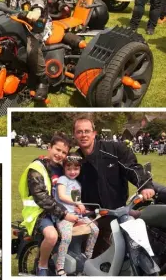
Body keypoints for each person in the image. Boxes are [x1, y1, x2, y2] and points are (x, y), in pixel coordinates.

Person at [73, 116, 155, 257]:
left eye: (87, 131)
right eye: (79, 132)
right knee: (91, 257)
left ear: (94, 133)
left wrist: (145, 185)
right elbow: (59, 169)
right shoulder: (74, 160)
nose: (83, 135)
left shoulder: (113, 149)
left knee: (124, 254)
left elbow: (132, 168)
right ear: (74, 135)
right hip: (92, 217)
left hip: (117, 212)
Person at [19, 132, 77, 276]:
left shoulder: (62, 167)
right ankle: (42, 266)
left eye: (64, 152)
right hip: (39, 212)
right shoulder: (36, 168)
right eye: (57, 149)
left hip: (58, 210)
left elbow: (72, 185)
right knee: (51, 236)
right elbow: (41, 198)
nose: (60, 154)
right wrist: (65, 214)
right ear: (49, 148)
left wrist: (77, 205)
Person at [54, 153, 99, 276]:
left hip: (76, 215)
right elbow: (62, 196)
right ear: (64, 169)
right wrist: (78, 203)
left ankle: (87, 256)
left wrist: (80, 208)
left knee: (95, 229)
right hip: (64, 215)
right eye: (69, 168)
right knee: (66, 237)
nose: (72, 172)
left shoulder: (77, 184)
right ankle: (60, 266)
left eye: (76, 168)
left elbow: (76, 201)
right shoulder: (62, 180)